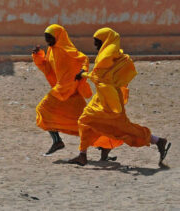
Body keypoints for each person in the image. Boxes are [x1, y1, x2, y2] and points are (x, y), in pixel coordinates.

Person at [70, 27, 171, 166]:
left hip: (110, 99)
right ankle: (83, 155)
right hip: (103, 96)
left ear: (105, 41)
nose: (95, 45)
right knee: (86, 120)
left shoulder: (106, 56)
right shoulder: (113, 53)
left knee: (122, 128)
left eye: (97, 42)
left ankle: (157, 141)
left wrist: (82, 74)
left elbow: (98, 78)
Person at [32, 24, 93, 156]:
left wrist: (83, 71)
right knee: (84, 121)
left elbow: (84, 59)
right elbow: (48, 68)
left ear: (58, 36)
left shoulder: (66, 49)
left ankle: (57, 141)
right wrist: (38, 56)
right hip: (64, 91)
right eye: (46, 38)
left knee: (42, 109)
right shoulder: (51, 50)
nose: (47, 41)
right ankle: (104, 145)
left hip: (68, 88)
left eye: (49, 37)